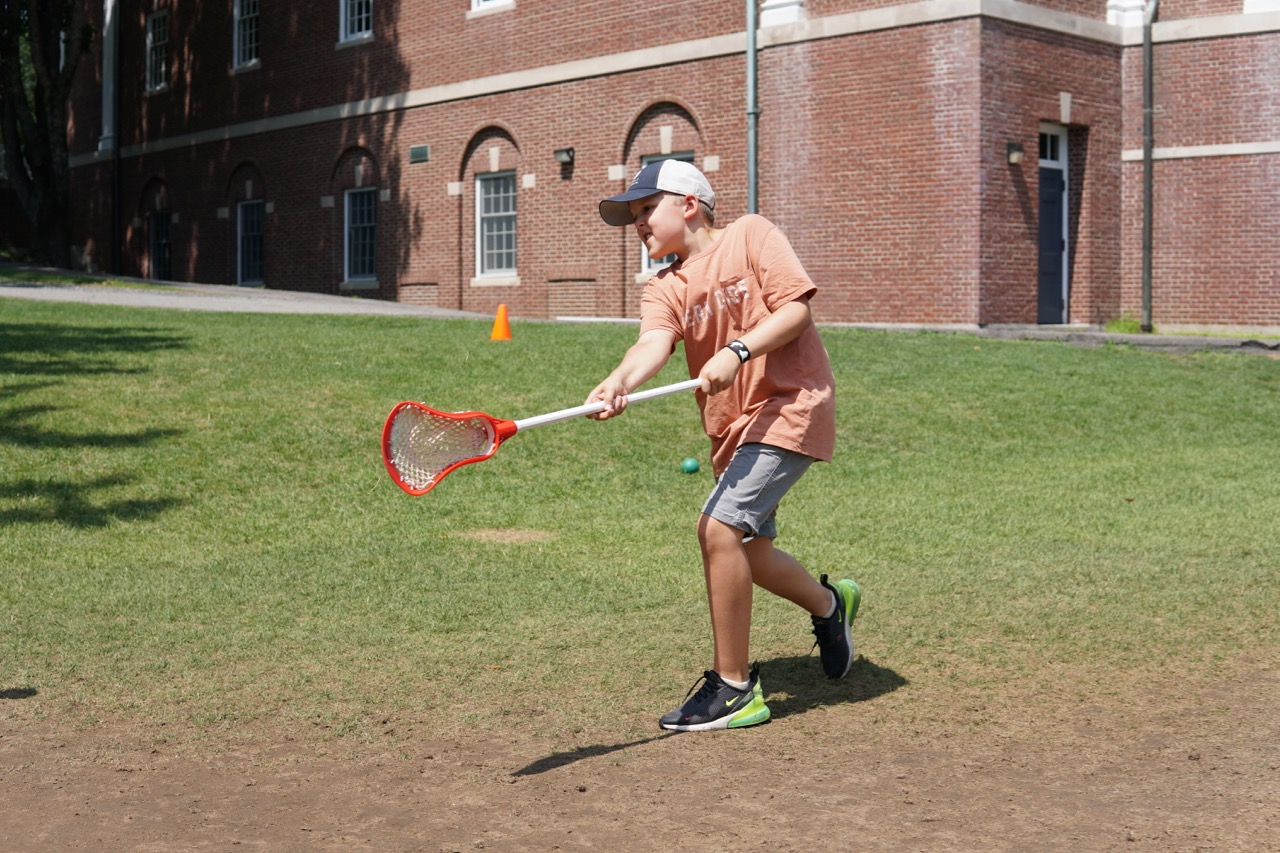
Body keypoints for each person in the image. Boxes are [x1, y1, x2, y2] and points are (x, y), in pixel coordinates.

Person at [588, 159, 861, 732]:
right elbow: (652, 344)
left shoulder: (751, 234)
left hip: (790, 403)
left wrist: (737, 351)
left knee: (717, 529)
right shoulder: (664, 285)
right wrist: (619, 381)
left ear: (687, 203)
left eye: (645, 210)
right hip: (733, 432)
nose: (638, 224)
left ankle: (735, 687)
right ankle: (830, 606)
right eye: (633, 216)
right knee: (750, 553)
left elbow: (796, 308)